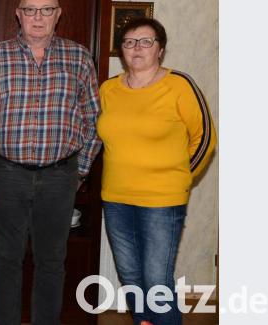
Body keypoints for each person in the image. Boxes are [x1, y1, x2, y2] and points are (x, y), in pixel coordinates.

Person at [0, 0, 102, 324]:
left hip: (60, 176)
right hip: (6, 174)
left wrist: (80, 170)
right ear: (18, 14)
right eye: (30, 10)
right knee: (6, 259)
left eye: (46, 10)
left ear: (58, 14)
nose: (38, 17)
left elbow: (94, 120)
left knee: (52, 262)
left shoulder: (79, 57)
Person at [97, 18, 216, 325]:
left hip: (162, 201)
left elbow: (205, 138)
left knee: (156, 282)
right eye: (129, 42)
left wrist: (181, 178)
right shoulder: (108, 89)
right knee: (131, 278)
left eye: (146, 41)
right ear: (121, 50)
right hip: (116, 199)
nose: (137, 48)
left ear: (160, 49)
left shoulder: (179, 85)